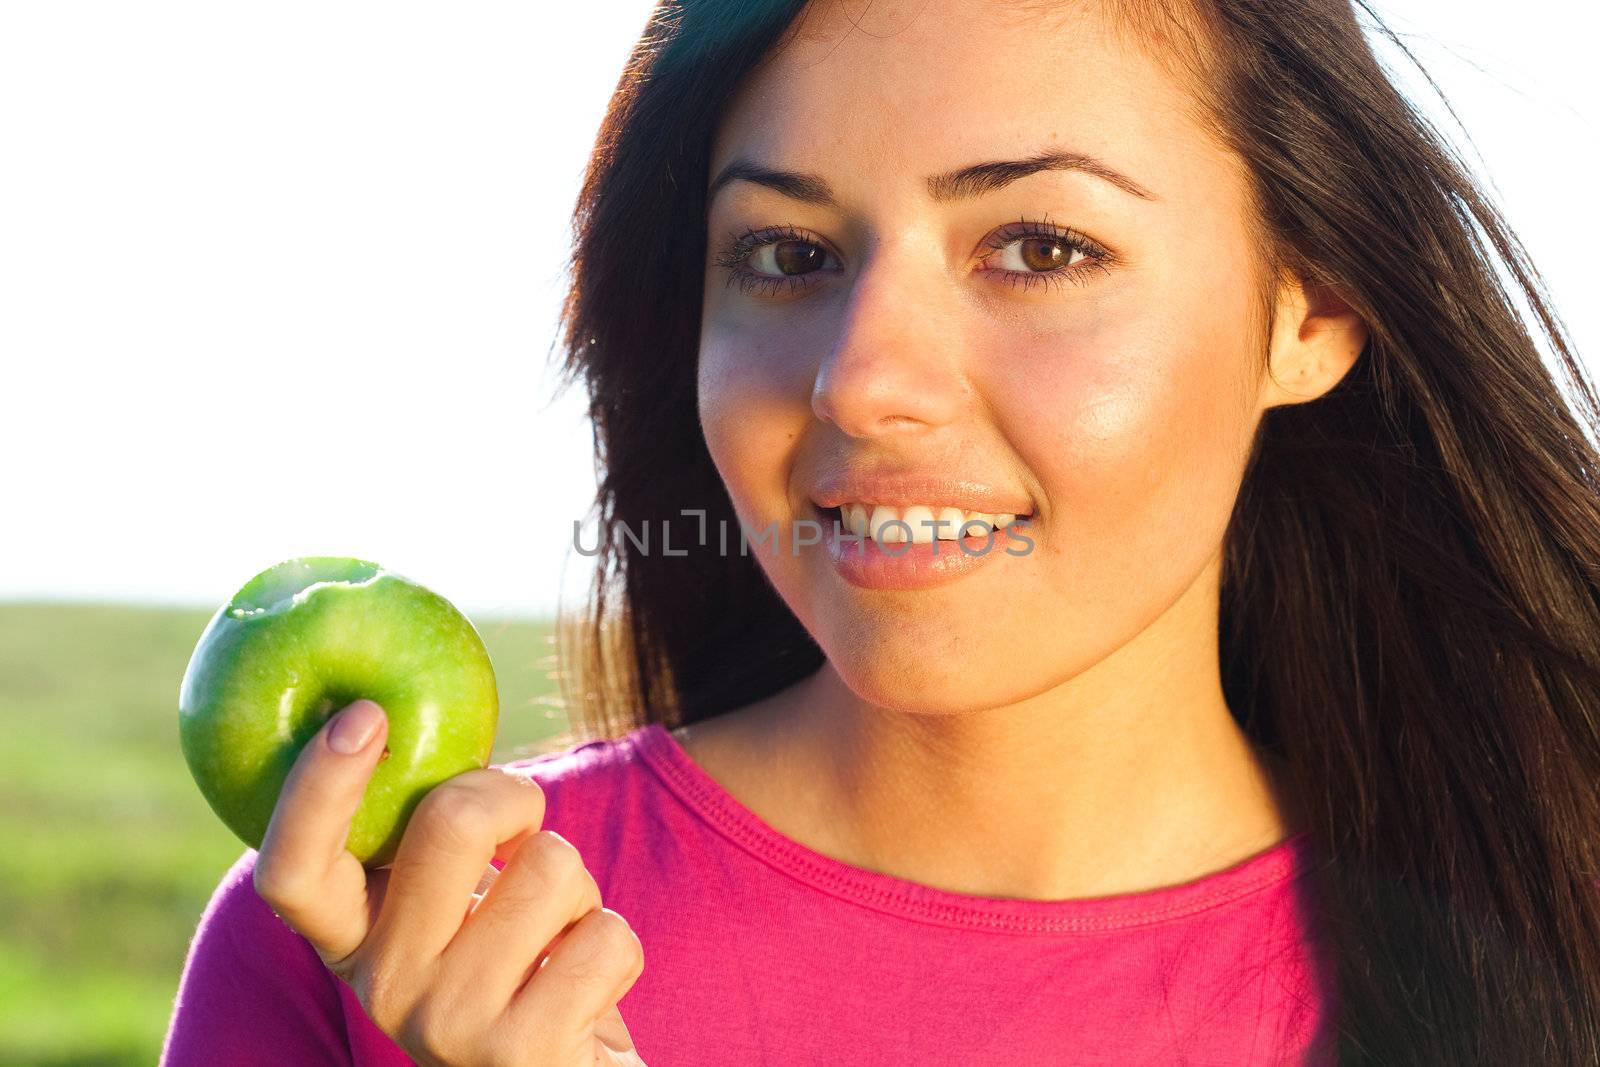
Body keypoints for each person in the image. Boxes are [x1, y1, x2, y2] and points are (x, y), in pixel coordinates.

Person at [162, 0, 1600, 1063]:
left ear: (1314, 307)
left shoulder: (1546, 962)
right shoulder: (364, 946)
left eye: (1041, 248)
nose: (861, 379)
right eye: (788, 257)